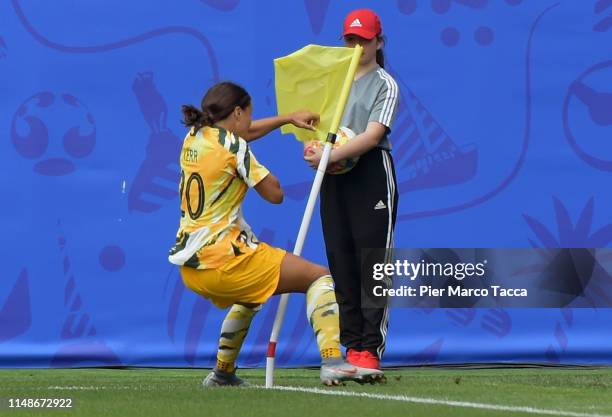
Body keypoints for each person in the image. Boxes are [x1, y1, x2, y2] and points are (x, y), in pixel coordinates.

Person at [168, 81, 382, 386]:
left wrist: (287, 118)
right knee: (318, 277)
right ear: (238, 112)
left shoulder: (193, 136)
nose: (250, 123)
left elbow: (248, 131)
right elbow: (275, 194)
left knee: (252, 296)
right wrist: (322, 158)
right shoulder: (235, 147)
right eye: (248, 115)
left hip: (192, 267)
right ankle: (333, 360)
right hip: (226, 259)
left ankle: (222, 373)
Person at [304, 9, 399, 378]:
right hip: (334, 175)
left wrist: (331, 155)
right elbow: (320, 130)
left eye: (364, 40)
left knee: (371, 263)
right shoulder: (333, 81)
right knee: (341, 260)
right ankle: (350, 346)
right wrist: (313, 148)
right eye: (350, 40)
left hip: (371, 172)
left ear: (378, 42)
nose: (357, 46)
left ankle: (369, 350)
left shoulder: (384, 84)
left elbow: (373, 135)